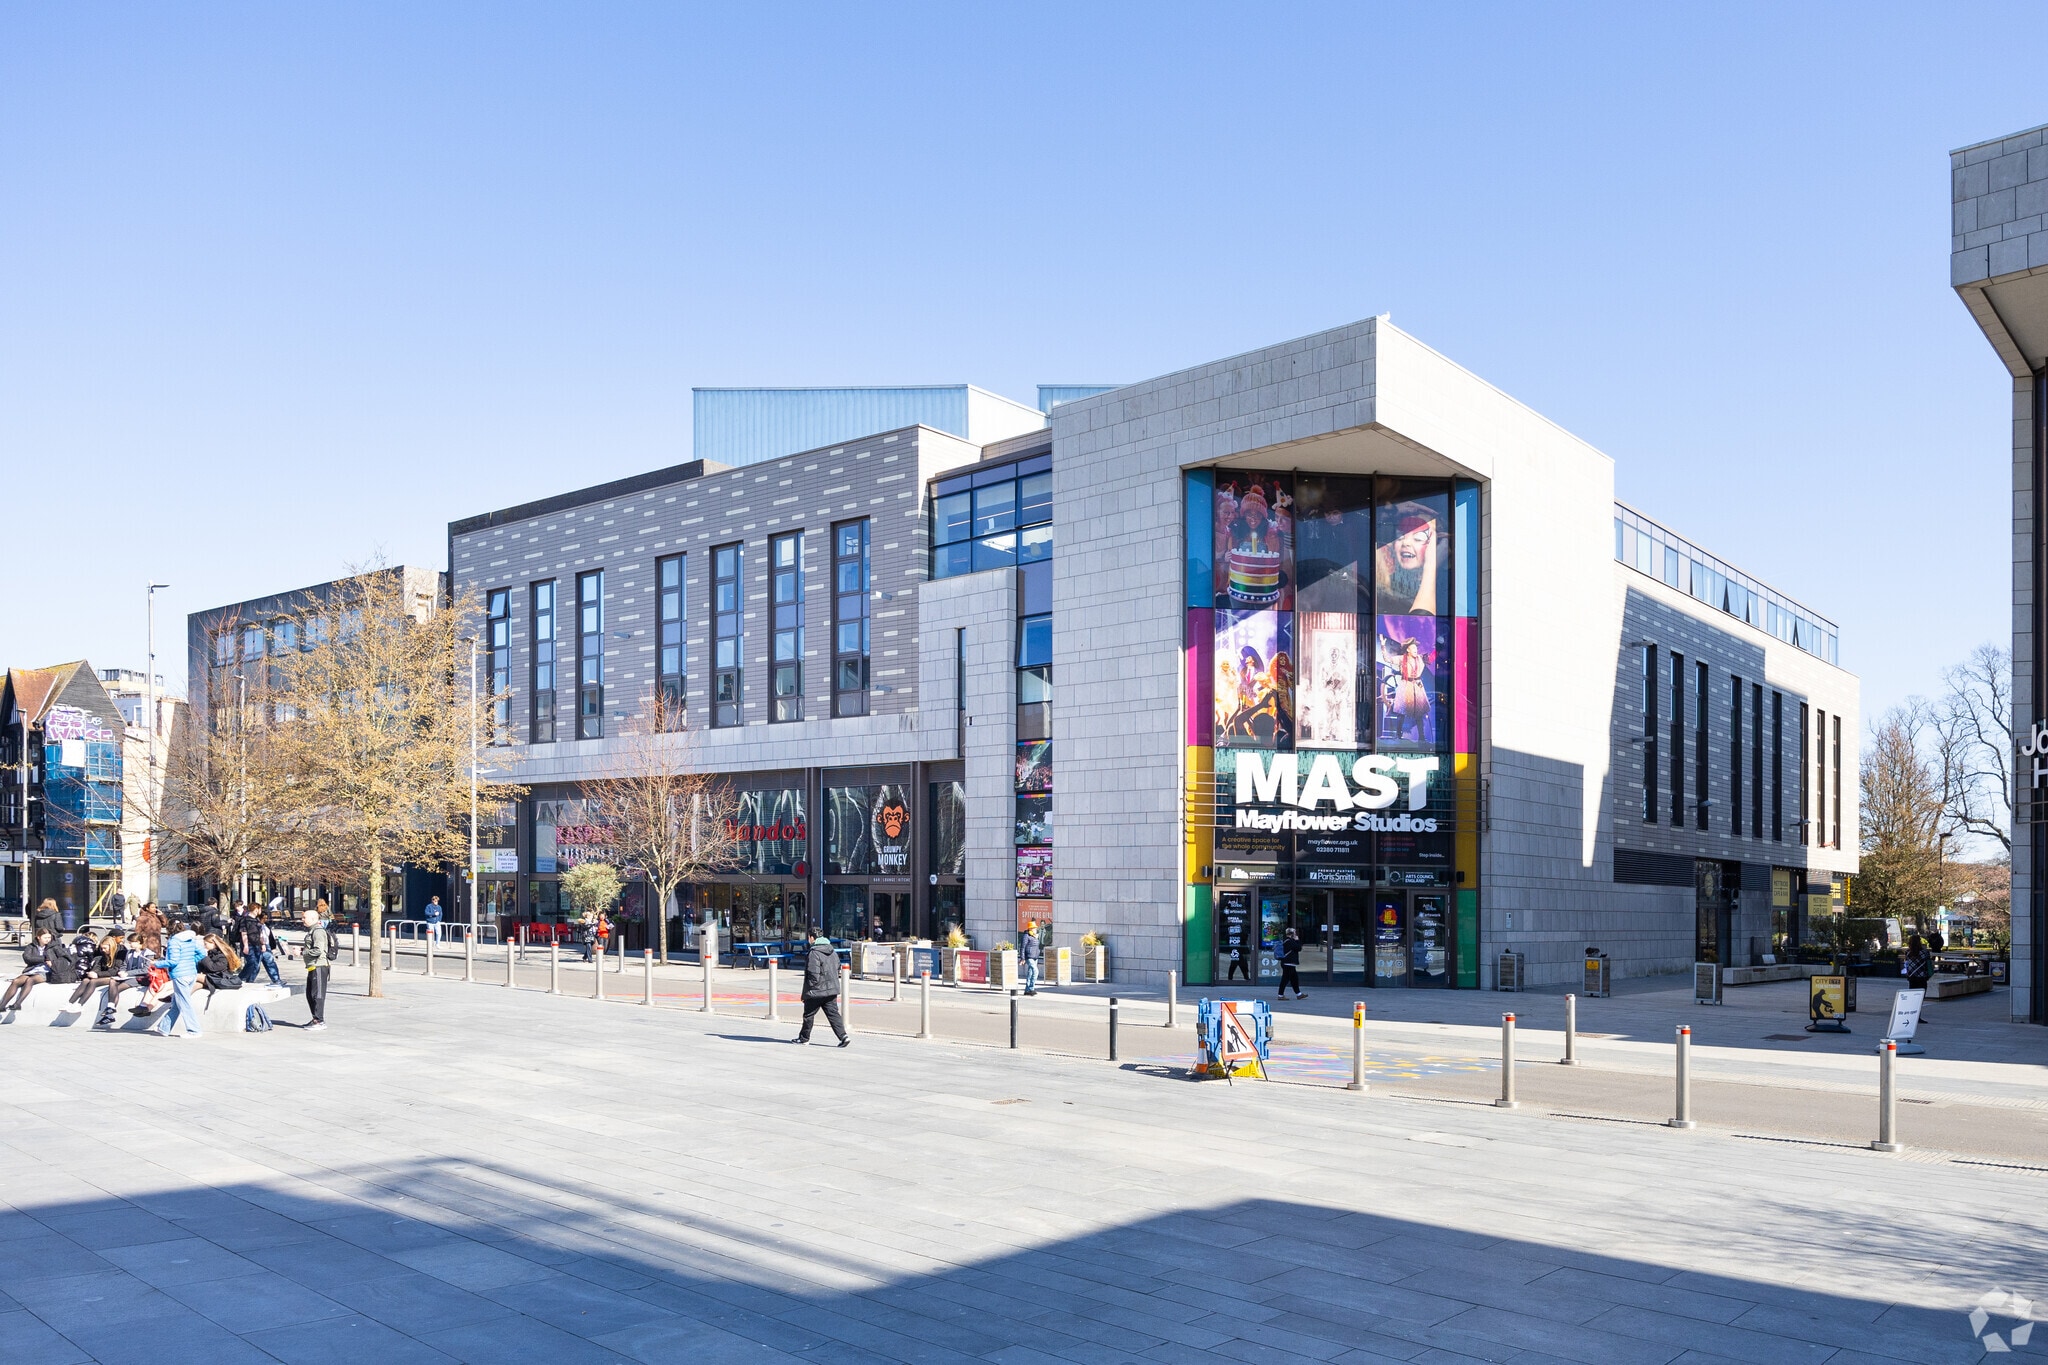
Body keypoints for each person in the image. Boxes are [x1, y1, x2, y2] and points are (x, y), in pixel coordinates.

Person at [151, 919, 208, 1038]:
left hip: (180, 975)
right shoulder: (191, 938)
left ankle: (194, 1030)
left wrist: (157, 964)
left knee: (184, 1003)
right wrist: (191, 961)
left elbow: (173, 961)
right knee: (177, 1002)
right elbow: (202, 953)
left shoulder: (174, 941)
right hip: (191, 972)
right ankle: (164, 1028)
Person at [792, 933, 849, 1047]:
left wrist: (810, 988)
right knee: (833, 1014)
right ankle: (843, 1036)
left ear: (812, 938)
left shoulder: (814, 952)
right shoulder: (832, 951)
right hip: (831, 989)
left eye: (809, 937)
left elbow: (813, 973)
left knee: (808, 1015)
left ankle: (804, 1038)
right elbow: (837, 967)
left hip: (817, 991)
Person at [0, 930, 57, 1011]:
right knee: (16, 981)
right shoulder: (31, 946)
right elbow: (27, 958)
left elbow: (57, 958)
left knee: (30, 980)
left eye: (49, 937)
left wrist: (50, 961)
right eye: (45, 938)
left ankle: (18, 1003)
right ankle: (2, 1005)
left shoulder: (53, 947)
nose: (48, 940)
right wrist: (44, 959)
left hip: (47, 971)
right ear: (39, 937)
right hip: (32, 969)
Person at [301, 903, 332, 1031]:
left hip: (319, 966)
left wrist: (302, 952)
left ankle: (319, 1020)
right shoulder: (312, 930)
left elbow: (318, 950)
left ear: (314, 919)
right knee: (310, 994)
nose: (302, 919)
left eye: (304, 918)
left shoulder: (318, 931)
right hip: (312, 966)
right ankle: (315, 1018)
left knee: (317, 994)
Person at [247, 910, 284, 987]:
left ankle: (276, 979)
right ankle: (249, 980)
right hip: (258, 946)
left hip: (267, 946)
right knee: (256, 966)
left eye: (266, 918)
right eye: (264, 918)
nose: (265, 919)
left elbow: (270, 936)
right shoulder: (256, 925)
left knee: (270, 963)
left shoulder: (266, 925)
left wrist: (273, 946)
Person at [234, 904, 264, 982]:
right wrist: (246, 946)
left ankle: (250, 980)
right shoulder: (245, 920)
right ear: (256, 909)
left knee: (257, 964)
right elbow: (243, 933)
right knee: (251, 962)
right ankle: (240, 978)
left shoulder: (257, 920)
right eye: (260, 909)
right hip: (249, 944)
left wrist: (263, 944)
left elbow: (260, 933)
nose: (260, 911)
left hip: (257, 944)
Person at [1276, 927, 1307, 1000]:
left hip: (1289, 963)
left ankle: (1298, 994)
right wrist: (1297, 940)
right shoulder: (1289, 941)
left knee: (1294, 979)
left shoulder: (1287, 940)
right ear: (1291, 934)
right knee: (1285, 979)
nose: (1296, 934)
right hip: (1288, 963)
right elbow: (1299, 948)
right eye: (1295, 933)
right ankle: (1280, 995)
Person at [1019, 920, 1043, 996]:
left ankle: (1027, 990)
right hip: (1029, 956)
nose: (1035, 929)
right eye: (1034, 928)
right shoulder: (1026, 936)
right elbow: (1022, 947)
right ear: (1030, 929)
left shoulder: (1035, 936)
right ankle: (1031, 989)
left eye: (1035, 928)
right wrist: (1022, 958)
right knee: (1036, 971)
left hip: (1035, 956)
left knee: (1030, 972)